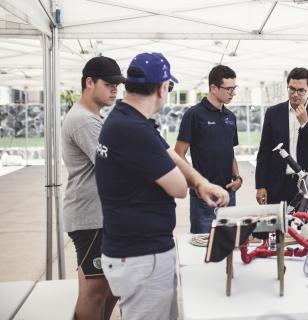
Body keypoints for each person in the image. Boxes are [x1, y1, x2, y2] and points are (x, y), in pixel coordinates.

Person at [95, 52, 229, 320]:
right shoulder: (132, 129)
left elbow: (170, 154)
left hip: (137, 251)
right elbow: (178, 187)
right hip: (141, 256)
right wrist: (191, 183)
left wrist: (200, 182)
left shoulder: (128, 118)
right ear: (162, 88)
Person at [62, 56, 125, 320]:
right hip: (90, 218)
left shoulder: (93, 118)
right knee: (95, 290)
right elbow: (111, 166)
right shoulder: (84, 121)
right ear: (89, 82)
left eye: (117, 85)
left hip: (100, 216)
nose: (115, 90)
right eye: (109, 84)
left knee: (111, 287)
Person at [255, 67, 308, 219]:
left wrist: (305, 125)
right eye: (291, 89)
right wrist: (260, 185)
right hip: (277, 183)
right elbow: (264, 151)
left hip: (307, 185)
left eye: (301, 90)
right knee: (277, 232)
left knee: (307, 232)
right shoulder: (273, 113)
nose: (295, 94)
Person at [175, 65, 241, 234]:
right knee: (201, 247)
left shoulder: (230, 117)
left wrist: (238, 177)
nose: (233, 93)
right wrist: (196, 183)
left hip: (228, 193)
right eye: (229, 89)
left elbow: (230, 151)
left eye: (234, 88)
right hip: (205, 195)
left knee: (227, 244)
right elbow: (179, 154)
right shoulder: (194, 115)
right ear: (213, 88)